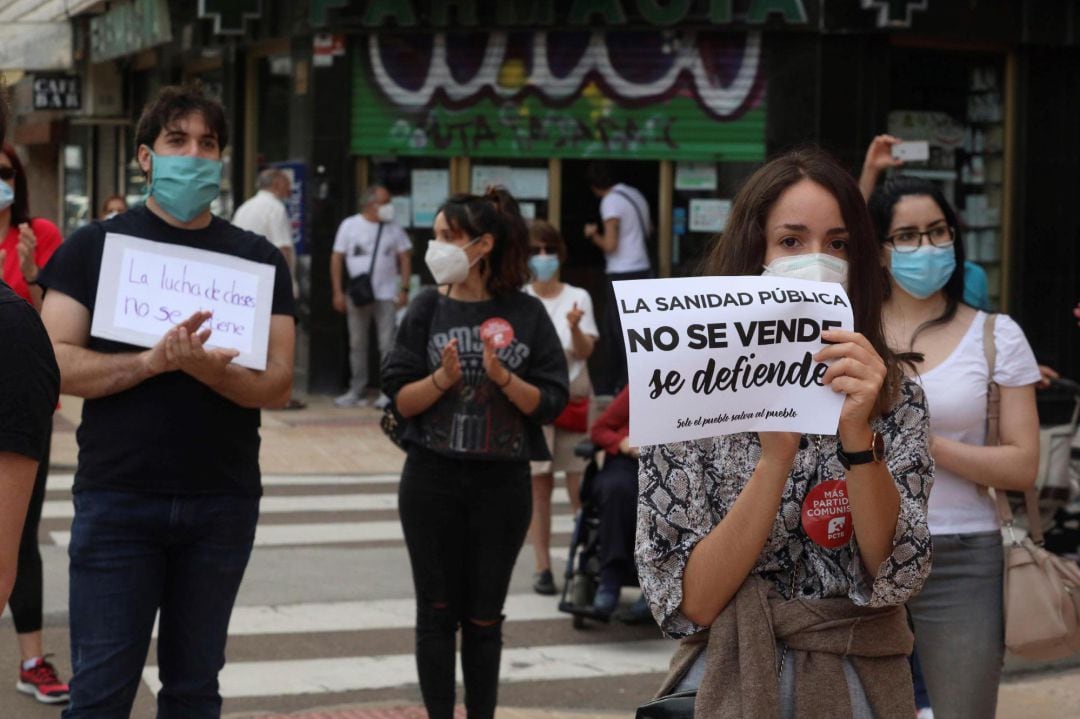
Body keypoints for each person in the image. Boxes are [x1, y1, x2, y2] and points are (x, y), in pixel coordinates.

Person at [635, 149, 934, 716]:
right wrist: (774, 462)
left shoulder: (895, 393)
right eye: (792, 242)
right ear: (754, 252)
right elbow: (689, 601)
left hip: (858, 685)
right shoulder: (683, 394)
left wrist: (857, 437)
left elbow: (896, 572)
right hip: (728, 678)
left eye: (838, 244)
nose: (817, 262)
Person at [38, 83, 296, 718]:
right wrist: (151, 362)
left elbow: (278, 382)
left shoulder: (256, 261)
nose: (194, 155)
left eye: (207, 144)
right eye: (177, 141)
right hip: (119, 497)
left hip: (221, 501)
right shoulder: (94, 248)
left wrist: (207, 372)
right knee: (99, 692)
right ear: (146, 157)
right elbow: (54, 361)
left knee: (193, 690)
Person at [381, 189, 568, 719]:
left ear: (483, 245)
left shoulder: (527, 314)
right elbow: (399, 397)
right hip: (430, 482)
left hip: (502, 487)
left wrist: (503, 376)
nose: (435, 246)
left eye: (447, 236)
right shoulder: (426, 307)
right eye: (434, 235)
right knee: (436, 613)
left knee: (485, 619)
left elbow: (550, 403)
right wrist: (442, 378)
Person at [867, 173, 1040, 719]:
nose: (927, 247)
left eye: (938, 232)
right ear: (880, 249)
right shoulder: (851, 333)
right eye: (908, 236)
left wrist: (919, 437)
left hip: (964, 553)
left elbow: (1021, 464)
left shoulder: (997, 335)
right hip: (860, 553)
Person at [0, 143, 69, 703]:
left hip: (22, 409)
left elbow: (57, 334)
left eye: (5, 172)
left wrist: (33, 274)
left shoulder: (38, 234)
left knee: (18, 539)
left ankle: (31, 659)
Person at [522, 219, 597, 596]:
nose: (543, 257)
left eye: (549, 250)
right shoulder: (520, 298)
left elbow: (585, 352)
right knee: (538, 487)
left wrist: (575, 329)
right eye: (536, 251)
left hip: (572, 398)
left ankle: (584, 563)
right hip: (535, 401)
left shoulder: (578, 297)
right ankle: (543, 567)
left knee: (578, 486)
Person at [331, 184, 412, 408]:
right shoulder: (349, 226)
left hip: (386, 294)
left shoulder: (393, 228)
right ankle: (356, 389)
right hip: (357, 294)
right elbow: (337, 258)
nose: (389, 207)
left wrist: (404, 289)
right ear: (370, 204)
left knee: (387, 344)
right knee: (357, 343)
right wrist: (337, 291)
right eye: (385, 202)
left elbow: (405, 257)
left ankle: (387, 391)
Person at [233, 168, 306, 409]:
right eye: (286, 185)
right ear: (276, 184)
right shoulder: (275, 208)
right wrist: (289, 284)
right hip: (271, 287)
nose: (289, 191)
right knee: (278, 346)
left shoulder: (245, 207)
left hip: (243, 287)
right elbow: (283, 248)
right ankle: (278, 395)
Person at [582, 161, 651, 395]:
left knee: (617, 331)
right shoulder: (635, 195)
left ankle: (620, 386)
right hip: (642, 268)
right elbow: (649, 229)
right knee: (636, 330)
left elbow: (610, 244)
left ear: (594, 186)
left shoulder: (610, 201)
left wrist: (593, 235)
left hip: (623, 271)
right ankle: (630, 384)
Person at [587, 387, 651, 623]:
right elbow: (599, 429)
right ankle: (610, 577)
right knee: (617, 489)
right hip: (627, 462)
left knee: (663, 500)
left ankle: (655, 584)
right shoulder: (640, 384)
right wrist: (622, 442)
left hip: (668, 464)